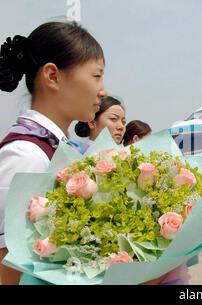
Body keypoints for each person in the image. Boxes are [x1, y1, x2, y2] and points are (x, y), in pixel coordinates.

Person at [0, 21, 107, 284]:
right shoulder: (28, 156)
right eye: (96, 76)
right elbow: (6, 268)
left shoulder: (55, 150)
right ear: (52, 76)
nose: (102, 90)